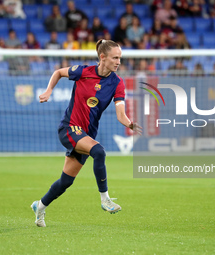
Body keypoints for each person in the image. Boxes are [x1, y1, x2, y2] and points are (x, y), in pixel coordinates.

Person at [31, 39, 142, 227]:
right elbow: (58, 72)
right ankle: (105, 198)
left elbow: (121, 115)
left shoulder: (117, 83)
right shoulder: (83, 71)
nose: (118, 62)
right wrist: (49, 90)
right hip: (69, 127)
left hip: (86, 135)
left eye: (120, 58)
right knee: (99, 151)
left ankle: (40, 206)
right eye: (115, 57)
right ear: (102, 57)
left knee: (66, 181)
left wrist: (130, 124)